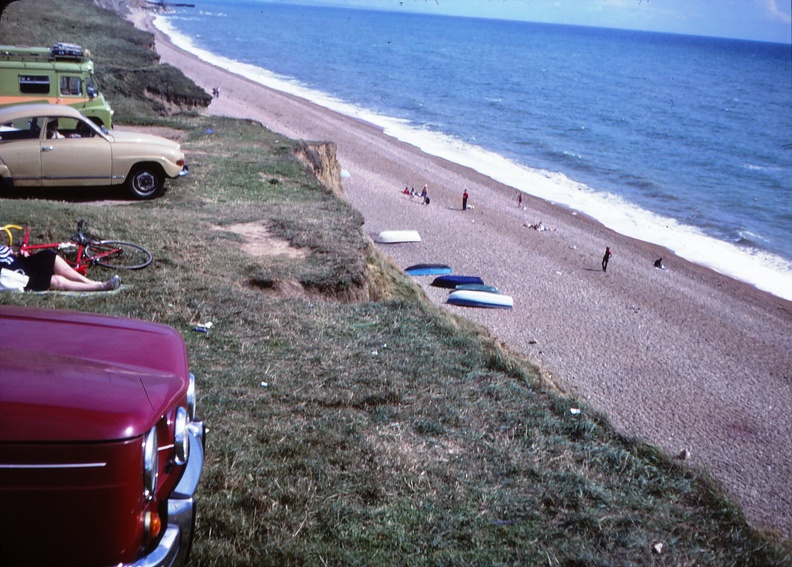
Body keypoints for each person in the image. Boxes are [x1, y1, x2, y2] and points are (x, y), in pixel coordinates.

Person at [0, 245, 120, 292]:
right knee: (55, 280)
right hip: (17, 276)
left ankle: (92, 282)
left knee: (49, 255)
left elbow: (8, 252)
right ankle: (101, 287)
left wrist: (18, 254)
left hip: (22, 262)